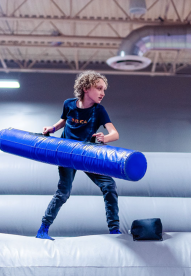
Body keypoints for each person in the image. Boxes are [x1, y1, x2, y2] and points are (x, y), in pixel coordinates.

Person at [36, 71, 121, 240]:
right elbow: (63, 120)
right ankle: (43, 229)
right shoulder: (69, 104)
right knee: (63, 192)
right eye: (99, 88)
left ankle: (114, 230)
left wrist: (106, 138)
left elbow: (115, 133)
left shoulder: (99, 111)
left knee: (109, 186)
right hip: (66, 154)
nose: (103, 93)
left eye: (104, 90)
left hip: (87, 154)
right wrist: (52, 129)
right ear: (85, 88)